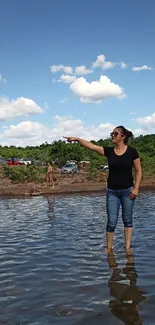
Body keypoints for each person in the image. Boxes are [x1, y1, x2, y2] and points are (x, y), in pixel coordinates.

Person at [64, 125, 142, 255]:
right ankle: (109, 249)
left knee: (127, 220)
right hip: (112, 192)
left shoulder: (132, 152)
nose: (112, 135)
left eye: (115, 133)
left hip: (127, 191)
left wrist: (136, 188)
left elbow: (139, 171)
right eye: (111, 133)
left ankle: (127, 248)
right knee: (111, 221)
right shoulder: (109, 151)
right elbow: (92, 146)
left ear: (122, 136)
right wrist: (77, 139)